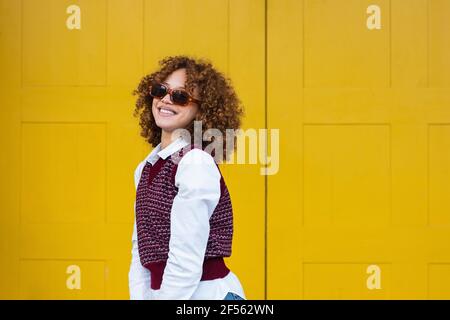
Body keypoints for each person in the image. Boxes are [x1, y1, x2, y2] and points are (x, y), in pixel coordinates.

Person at [129, 55, 246, 300]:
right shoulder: (146, 168)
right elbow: (140, 249)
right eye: (161, 90)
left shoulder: (195, 163)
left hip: (205, 294)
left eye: (180, 96)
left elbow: (186, 259)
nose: (165, 100)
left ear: (201, 110)